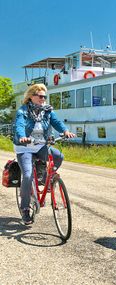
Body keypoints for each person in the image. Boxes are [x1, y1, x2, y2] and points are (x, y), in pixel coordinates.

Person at [13, 83, 75, 225]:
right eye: (40, 96)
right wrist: (22, 136)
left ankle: (46, 181)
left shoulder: (47, 111)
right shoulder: (23, 111)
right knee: (27, 175)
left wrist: (65, 131)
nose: (43, 99)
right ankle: (25, 209)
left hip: (41, 145)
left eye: (45, 96)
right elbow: (19, 125)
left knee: (58, 156)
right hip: (25, 147)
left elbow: (57, 122)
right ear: (31, 96)